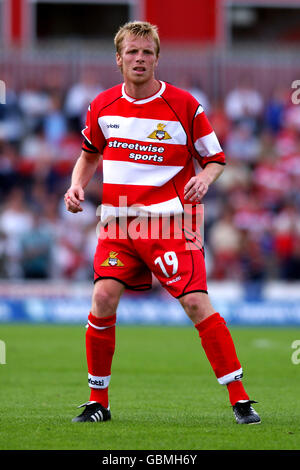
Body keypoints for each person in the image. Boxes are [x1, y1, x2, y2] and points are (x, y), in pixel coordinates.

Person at [64, 21, 261, 425]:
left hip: (171, 222)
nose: (140, 59)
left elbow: (215, 158)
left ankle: (240, 398)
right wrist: (76, 187)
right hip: (118, 221)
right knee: (101, 299)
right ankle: (98, 402)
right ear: (119, 59)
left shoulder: (184, 104)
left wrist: (204, 179)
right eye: (132, 52)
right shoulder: (101, 105)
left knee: (194, 302)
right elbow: (89, 154)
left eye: (147, 52)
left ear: (157, 58)